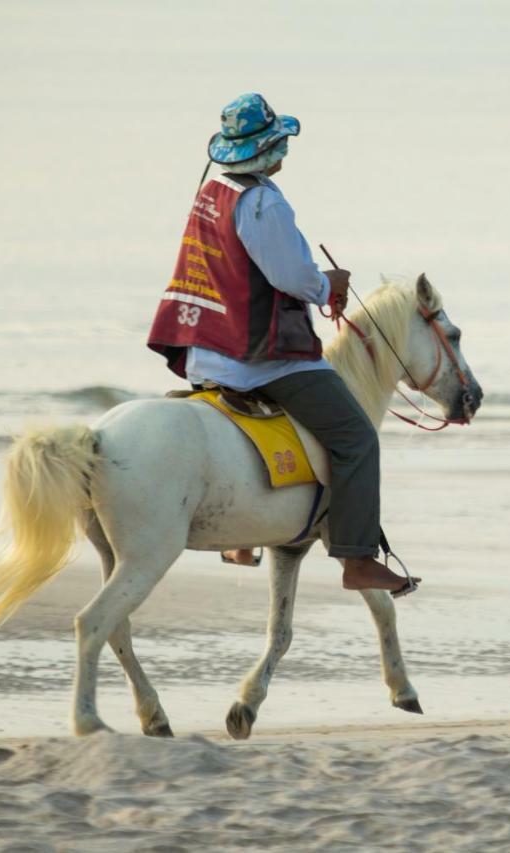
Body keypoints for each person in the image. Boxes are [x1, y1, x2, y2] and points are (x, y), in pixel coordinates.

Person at [147, 93, 418, 595]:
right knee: (356, 437)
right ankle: (357, 559)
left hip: (204, 350)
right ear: (266, 148)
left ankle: (244, 536)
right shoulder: (264, 200)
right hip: (255, 356)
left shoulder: (213, 189)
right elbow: (291, 276)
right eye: (280, 145)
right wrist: (328, 285)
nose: (284, 154)